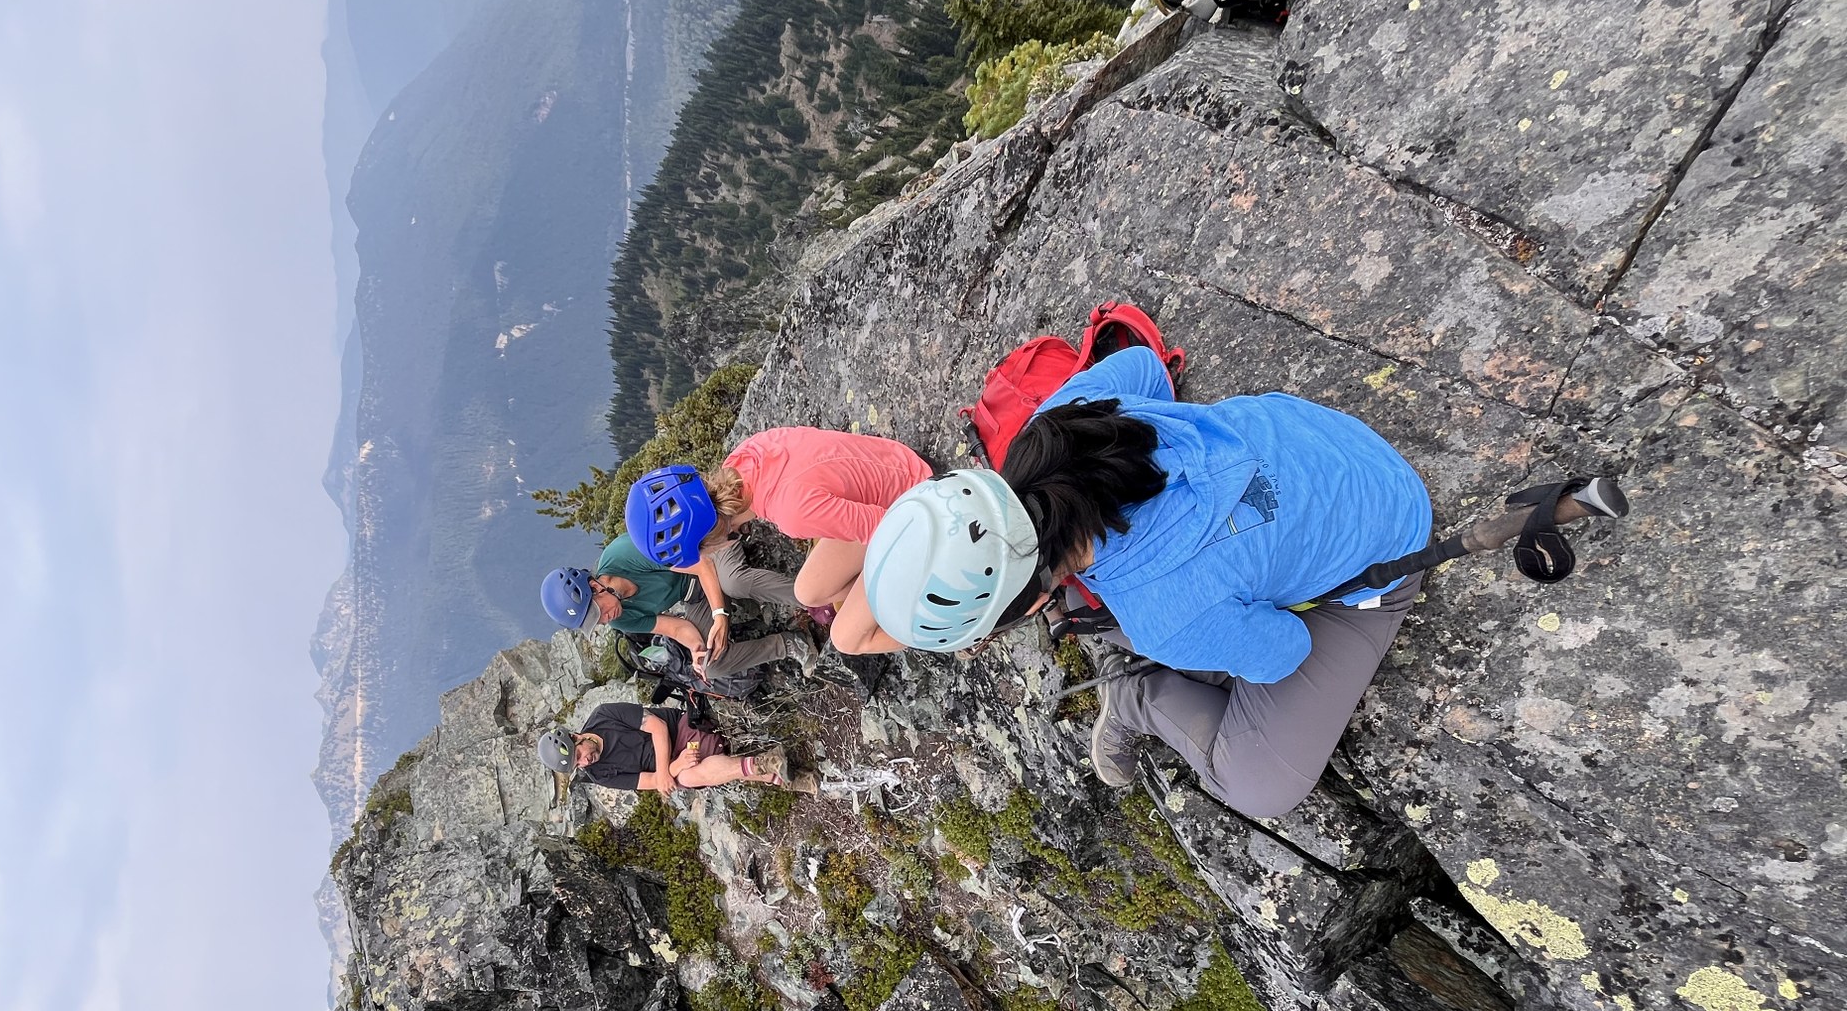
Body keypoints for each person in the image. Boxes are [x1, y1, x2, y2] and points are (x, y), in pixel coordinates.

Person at [864, 344, 1431, 819]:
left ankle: (1134, 696)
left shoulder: (1166, 618)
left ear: (1034, 602)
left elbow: (1287, 651)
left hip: (1391, 541)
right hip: (1324, 439)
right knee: (1159, 615)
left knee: (1259, 784)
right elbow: (1143, 366)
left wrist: (1202, 621)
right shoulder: (1055, 429)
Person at [624, 427, 933, 656]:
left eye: (703, 552)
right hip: (894, 468)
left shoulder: (792, 511)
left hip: (917, 507)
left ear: (714, 537)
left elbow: (893, 530)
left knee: (847, 639)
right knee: (809, 591)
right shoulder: (743, 459)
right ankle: (887, 600)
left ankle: (943, 626)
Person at [540, 530, 819, 681]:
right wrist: (697, 649)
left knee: (734, 582)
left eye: (598, 612)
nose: (605, 619)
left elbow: (701, 564)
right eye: (596, 621)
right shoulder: (621, 619)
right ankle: (789, 644)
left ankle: (815, 594)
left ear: (594, 586)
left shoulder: (623, 554)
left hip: (709, 550)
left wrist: (720, 615)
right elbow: (675, 628)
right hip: (696, 594)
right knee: (712, 665)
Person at [536, 702, 816, 797]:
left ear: (576, 737)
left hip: (680, 730)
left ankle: (779, 776)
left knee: (689, 771)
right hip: (675, 764)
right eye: (578, 765)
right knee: (688, 777)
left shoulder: (604, 715)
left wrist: (668, 769)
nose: (585, 762)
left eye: (579, 755)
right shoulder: (598, 774)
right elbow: (652, 782)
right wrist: (674, 767)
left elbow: (657, 727)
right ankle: (769, 767)